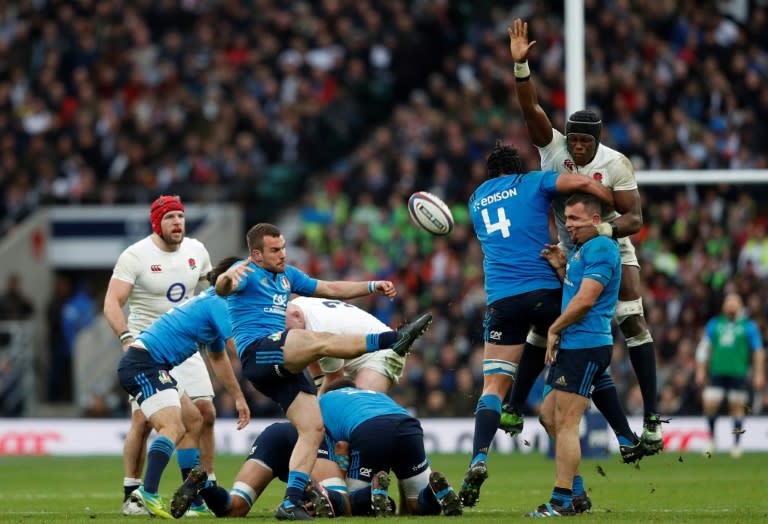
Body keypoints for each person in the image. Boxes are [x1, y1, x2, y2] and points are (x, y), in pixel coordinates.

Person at [509, 18, 665, 454]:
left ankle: (651, 416)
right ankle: (515, 405)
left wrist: (600, 229)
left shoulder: (616, 164)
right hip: (566, 249)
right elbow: (530, 111)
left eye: (583, 142)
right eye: (572, 139)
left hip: (608, 243)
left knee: (632, 318)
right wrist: (522, 68)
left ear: (596, 141)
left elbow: (634, 218)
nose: (575, 148)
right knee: (553, 325)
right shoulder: (553, 149)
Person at [215, 222, 432, 520]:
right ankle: (394, 339)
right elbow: (224, 288)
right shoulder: (246, 271)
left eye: (283, 247)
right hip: (259, 352)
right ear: (257, 254)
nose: (282, 254)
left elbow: (329, 288)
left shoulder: (287, 276)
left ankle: (290, 502)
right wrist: (226, 278)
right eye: (275, 250)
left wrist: (371, 286)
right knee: (317, 340)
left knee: (313, 429)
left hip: (281, 366)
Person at [459, 140, 616, 508]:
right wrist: (609, 198)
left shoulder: (476, 199)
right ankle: (619, 437)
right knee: (585, 351)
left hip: (502, 298)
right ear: (516, 168)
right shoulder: (533, 181)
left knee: (492, 387)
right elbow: (580, 186)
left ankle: (479, 456)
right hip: (546, 290)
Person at [103, 195, 217, 516]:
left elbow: (214, 291)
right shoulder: (135, 255)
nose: (177, 222)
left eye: (180, 216)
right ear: (157, 222)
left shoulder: (197, 251)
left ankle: (197, 495)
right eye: (170, 217)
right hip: (148, 347)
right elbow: (112, 302)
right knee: (144, 419)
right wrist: (126, 337)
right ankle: (133, 494)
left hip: (185, 346)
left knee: (203, 413)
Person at [117, 257, 251, 518]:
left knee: (193, 419)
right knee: (174, 426)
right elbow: (238, 346)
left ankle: (196, 499)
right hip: (144, 364)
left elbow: (219, 357)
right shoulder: (219, 302)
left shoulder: (212, 303)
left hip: (154, 365)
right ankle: (147, 493)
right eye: (245, 274)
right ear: (229, 278)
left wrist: (238, 397)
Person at [530, 193, 622, 517]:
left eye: (575, 219)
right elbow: (574, 292)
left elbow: (584, 302)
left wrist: (554, 330)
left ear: (596, 221)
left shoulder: (601, 248)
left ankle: (561, 500)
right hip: (573, 344)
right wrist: (560, 268)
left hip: (586, 344)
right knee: (547, 416)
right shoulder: (581, 250)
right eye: (566, 219)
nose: (567, 226)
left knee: (567, 422)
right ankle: (577, 492)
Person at [318, 382, 462, 517]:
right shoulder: (374, 394)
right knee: (417, 504)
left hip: (369, 429)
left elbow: (340, 447)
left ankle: (373, 494)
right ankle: (435, 492)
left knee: (353, 504)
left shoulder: (323, 400)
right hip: (408, 426)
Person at [171, 422, 337, 518]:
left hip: (274, 436)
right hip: (311, 438)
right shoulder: (345, 429)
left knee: (235, 508)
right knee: (339, 497)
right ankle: (293, 503)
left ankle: (205, 486)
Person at [285, 297, 406, 394]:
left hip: (382, 352)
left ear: (297, 316)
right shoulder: (297, 304)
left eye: (289, 331)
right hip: (357, 352)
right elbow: (310, 351)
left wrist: (318, 405)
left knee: (358, 409)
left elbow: (335, 380)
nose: (289, 338)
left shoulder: (320, 329)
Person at [695, 292, 765, 458]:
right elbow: (704, 348)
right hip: (717, 372)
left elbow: (758, 351)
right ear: (724, 306)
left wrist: (759, 373)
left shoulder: (748, 326)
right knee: (709, 404)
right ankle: (712, 439)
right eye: (729, 302)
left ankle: (737, 444)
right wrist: (701, 370)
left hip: (738, 373)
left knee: (736, 408)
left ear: (741, 306)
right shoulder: (714, 324)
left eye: (735, 302)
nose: (732, 305)